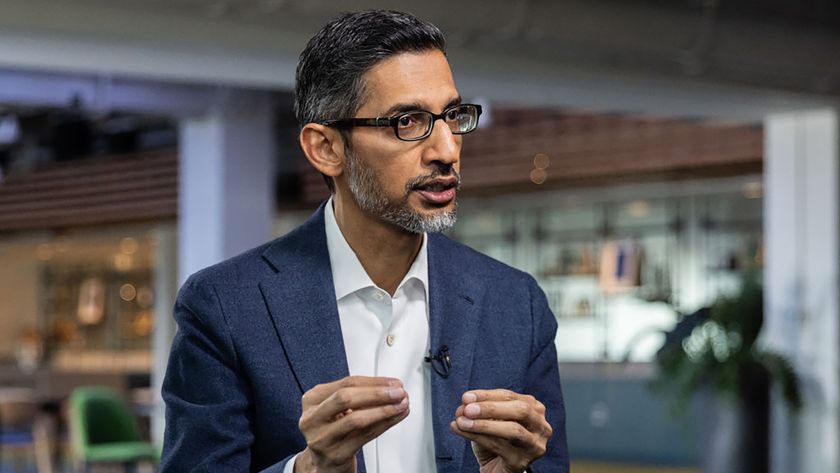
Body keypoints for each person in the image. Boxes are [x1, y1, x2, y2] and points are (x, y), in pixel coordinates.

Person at [161, 9, 568, 473]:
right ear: (326, 148)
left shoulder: (518, 304)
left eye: (452, 116)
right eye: (408, 122)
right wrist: (310, 468)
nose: (447, 150)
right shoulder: (224, 305)